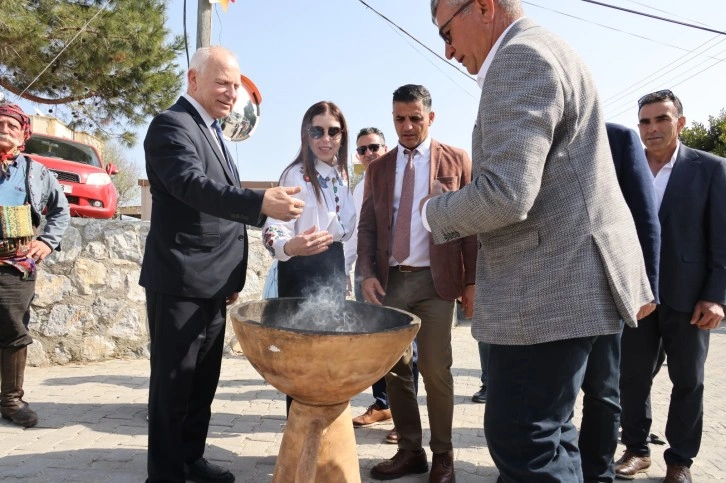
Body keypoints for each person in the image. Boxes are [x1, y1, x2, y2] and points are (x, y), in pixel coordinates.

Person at [426, 1, 653, 481]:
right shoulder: (548, 47)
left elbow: (506, 194)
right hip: (568, 282)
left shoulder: (519, 56)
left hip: (546, 289)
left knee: (524, 441)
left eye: (446, 31)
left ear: (484, 7)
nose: (447, 51)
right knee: (552, 436)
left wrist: (433, 213)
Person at [141, 46, 304, 483]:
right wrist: (260, 203)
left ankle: (191, 460)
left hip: (213, 283)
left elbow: (215, 212)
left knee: (201, 385)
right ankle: (166, 474)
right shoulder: (170, 126)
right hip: (179, 281)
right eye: (222, 83)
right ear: (193, 80)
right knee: (173, 386)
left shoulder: (214, 130)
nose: (231, 93)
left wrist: (232, 275)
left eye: (235, 85)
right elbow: (192, 187)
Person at [357, 84, 477, 483]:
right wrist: (367, 274)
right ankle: (410, 450)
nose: (406, 126)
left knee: (436, 369)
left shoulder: (457, 160)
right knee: (394, 369)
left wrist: (472, 282)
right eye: (399, 119)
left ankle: (443, 454)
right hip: (391, 283)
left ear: (430, 117)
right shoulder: (378, 168)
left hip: (436, 283)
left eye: (414, 118)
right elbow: (368, 226)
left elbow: (472, 228)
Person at [615, 90, 726, 483]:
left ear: (680, 122)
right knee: (631, 376)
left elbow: (721, 238)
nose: (652, 128)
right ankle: (636, 449)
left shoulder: (711, 168)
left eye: (661, 119)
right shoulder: (626, 168)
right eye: (644, 121)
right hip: (637, 295)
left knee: (689, 380)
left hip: (690, 297)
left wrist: (715, 296)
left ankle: (679, 461)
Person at [578, 122, 661, 483]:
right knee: (553, 394)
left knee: (602, 391)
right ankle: (558, 468)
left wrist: (645, 289)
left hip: (606, 291)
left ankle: (595, 472)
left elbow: (645, 219)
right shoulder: (532, 134)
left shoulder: (617, 139)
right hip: (546, 291)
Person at [262, 101, 356, 415]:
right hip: (301, 272)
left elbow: (348, 230)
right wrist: (292, 247)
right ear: (306, 133)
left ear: (342, 135)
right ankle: (301, 438)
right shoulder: (295, 174)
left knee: (331, 358)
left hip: (332, 270)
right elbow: (272, 229)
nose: (325, 139)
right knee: (301, 361)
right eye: (317, 131)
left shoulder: (343, 174)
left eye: (333, 131)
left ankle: (329, 440)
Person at [0, 103, 70, 428]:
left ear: (23, 135)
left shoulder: (36, 171)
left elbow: (61, 211)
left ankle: (11, 401)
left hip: (14, 267)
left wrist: (47, 241)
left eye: (12, 126)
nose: (5, 129)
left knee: (13, 329)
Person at [346, 128, 396, 440]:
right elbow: (352, 236)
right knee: (372, 345)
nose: (368, 154)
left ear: (385, 147)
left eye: (374, 147)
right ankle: (383, 403)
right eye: (362, 150)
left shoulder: (403, 175)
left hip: (397, 274)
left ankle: (406, 419)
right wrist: (347, 274)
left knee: (403, 347)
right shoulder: (358, 186)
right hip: (365, 275)